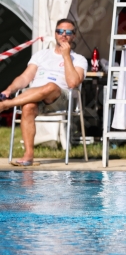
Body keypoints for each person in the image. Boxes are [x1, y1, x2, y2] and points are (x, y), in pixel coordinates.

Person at [0, 18, 88, 166]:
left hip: (61, 98)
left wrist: (66, 56)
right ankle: (28, 155)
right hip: (36, 96)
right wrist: (9, 90)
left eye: (68, 32)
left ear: (74, 36)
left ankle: (6, 105)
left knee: (51, 86)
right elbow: (25, 77)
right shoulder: (41, 55)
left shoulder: (78, 59)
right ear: (55, 34)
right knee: (28, 107)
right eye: (60, 31)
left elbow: (73, 83)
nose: (63, 35)